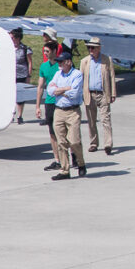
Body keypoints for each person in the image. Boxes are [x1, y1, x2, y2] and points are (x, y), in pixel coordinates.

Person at [46, 52, 87, 180]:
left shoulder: (77, 74)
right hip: (58, 111)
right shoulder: (58, 74)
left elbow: (74, 94)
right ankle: (65, 170)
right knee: (61, 142)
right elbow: (50, 90)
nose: (59, 64)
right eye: (58, 61)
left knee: (74, 141)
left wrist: (59, 90)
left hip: (72, 112)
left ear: (69, 62)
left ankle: (81, 163)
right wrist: (65, 89)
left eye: (61, 61)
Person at [80, 37, 116, 155]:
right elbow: (81, 79)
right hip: (90, 94)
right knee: (91, 121)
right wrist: (80, 94)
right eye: (89, 47)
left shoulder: (107, 60)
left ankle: (108, 144)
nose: (91, 49)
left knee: (106, 119)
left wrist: (113, 93)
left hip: (103, 94)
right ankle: (94, 143)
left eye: (93, 47)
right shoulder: (84, 61)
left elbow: (111, 77)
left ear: (99, 48)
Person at [36, 41, 65, 171]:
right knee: (52, 133)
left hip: (61, 102)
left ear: (54, 51)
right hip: (49, 103)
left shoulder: (61, 65)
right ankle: (57, 160)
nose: (45, 54)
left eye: (47, 51)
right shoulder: (43, 67)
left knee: (64, 132)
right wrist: (38, 106)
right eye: (44, 51)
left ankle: (72, 156)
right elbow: (41, 86)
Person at [11, 28, 33, 123]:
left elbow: (29, 62)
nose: (11, 39)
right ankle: (11, 114)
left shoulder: (25, 49)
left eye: (12, 38)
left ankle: (20, 116)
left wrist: (29, 75)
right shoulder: (8, 47)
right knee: (10, 96)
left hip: (22, 74)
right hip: (11, 75)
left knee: (20, 96)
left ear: (18, 38)